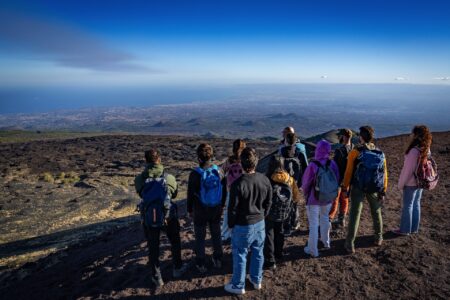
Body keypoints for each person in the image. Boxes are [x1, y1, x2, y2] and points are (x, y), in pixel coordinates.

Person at [134, 149, 188, 287]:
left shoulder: (140, 179)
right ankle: (177, 268)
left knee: (153, 247)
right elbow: (174, 195)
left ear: (146, 161)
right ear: (159, 160)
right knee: (175, 241)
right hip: (168, 216)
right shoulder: (169, 178)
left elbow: (141, 194)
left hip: (149, 218)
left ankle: (157, 277)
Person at [225, 147, 272, 295]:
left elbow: (231, 209)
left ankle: (238, 285)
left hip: (242, 225)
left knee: (240, 254)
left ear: (241, 164)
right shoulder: (264, 179)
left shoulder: (237, 184)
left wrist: (231, 225)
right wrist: (263, 215)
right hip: (259, 222)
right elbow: (269, 202)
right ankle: (256, 280)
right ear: (256, 162)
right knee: (258, 252)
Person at [342, 126, 388, 254]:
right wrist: (383, 190)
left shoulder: (355, 152)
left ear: (360, 137)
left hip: (359, 187)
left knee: (355, 215)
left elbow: (348, 172)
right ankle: (378, 237)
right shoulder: (380, 153)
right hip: (374, 187)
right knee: (376, 211)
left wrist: (345, 187)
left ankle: (350, 243)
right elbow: (384, 173)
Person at [187, 143, 226, 273]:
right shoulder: (219, 171)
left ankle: (201, 262)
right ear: (211, 156)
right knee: (216, 233)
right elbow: (224, 189)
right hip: (216, 208)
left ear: (198, 157)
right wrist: (222, 204)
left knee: (200, 236)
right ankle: (218, 259)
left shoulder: (195, 174)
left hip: (200, 209)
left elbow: (190, 194)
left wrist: (189, 210)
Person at [301, 140, 340, 257]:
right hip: (327, 198)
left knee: (313, 224)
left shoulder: (313, 165)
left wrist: (306, 194)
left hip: (314, 199)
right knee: (325, 218)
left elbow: (306, 184)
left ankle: (313, 250)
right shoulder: (332, 164)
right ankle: (326, 242)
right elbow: (337, 179)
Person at [394, 125, 432, 235]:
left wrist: (400, 185)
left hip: (410, 183)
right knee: (416, 204)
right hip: (420, 181)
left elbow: (407, 171)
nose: (411, 135)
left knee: (408, 206)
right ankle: (414, 229)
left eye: (413, 133)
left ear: (416, 135)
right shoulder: (426, 149)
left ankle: (405, 230)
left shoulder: (413, 151)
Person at [264, 155, 300, 269]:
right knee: (280, 232)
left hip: (270, 212)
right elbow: (296, 197)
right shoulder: (289, 178)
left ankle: (270, 260)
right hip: (284, 212)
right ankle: (278, 254)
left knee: (269, 234)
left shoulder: (267, 178)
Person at [279, 131, 308, 235]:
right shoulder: (299, 151)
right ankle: (294, 223)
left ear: (286, 141)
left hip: (284, 182)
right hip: (295, 182)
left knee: (285, 202)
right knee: (294, 202)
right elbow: (305, 167)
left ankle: (286, 226)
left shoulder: (281, 152)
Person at [221, 139, 246, 241]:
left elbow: (222, 172)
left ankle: (226, 234)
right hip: (243, 191)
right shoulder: (245, 161)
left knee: (228, 212)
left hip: (231, 190)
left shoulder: (229, 161)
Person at [329, 128, 354, 228]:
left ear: (344, 137)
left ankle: (330, 219)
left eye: (340, 135)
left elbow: (335, 166)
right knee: (345, 199)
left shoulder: (340, 150)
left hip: (339, 179)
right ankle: (341, 219)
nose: (339, 137)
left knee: (335, 199)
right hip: (348, 179)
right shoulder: (354, 148)